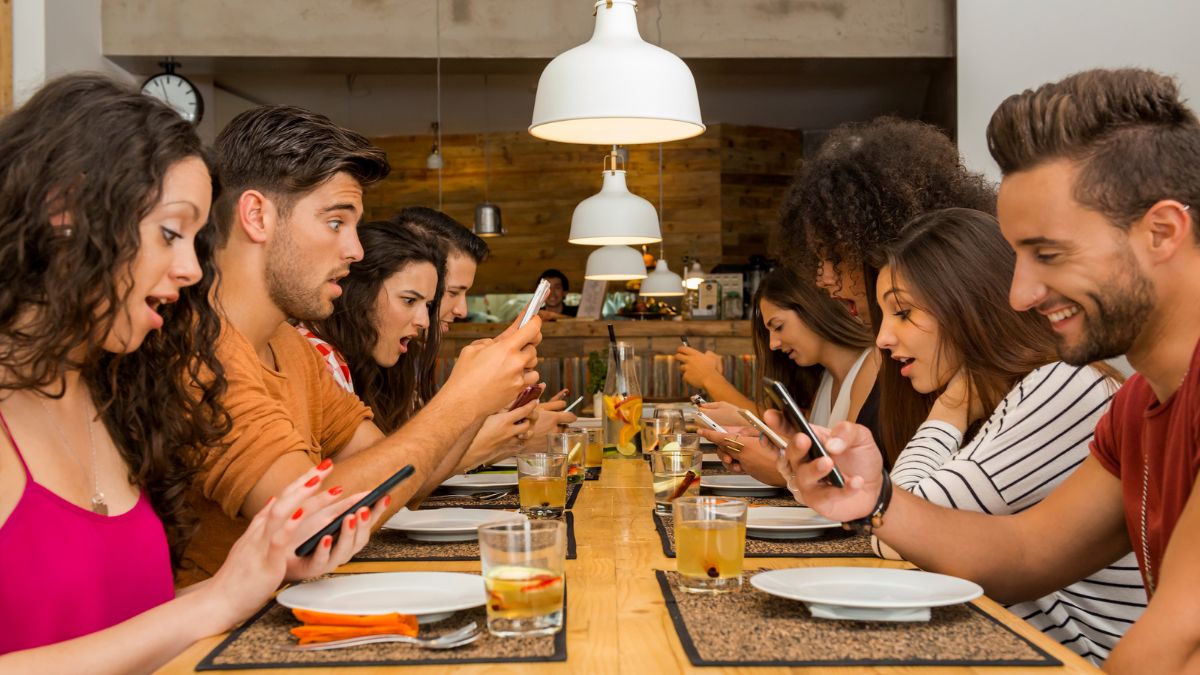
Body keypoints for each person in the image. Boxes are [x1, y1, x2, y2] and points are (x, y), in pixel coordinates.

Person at [781, 68, 1200, 674]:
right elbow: (1025, 551)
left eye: (1047, 254)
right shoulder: (1137, 405)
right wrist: (875, 498)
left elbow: (1178, 644)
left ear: (1161, 232)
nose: (1021, 293)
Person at [0, 74, 376, 670]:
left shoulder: (119, 398)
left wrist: (258, 574)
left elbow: (122, 627)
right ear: (63, 211)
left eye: (195, 242)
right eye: (170, 233)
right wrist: (211, 604)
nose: (190, 270)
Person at [186, 106, 543, 580]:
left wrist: (481, 395)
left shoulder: (289, 345)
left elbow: (396, 475)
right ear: (256, 216)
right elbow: (308, 524)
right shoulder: (200, 352)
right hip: (217, 644)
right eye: (336, 222)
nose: (355, 250)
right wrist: (462, 399)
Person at [871, 207, 1144, 663]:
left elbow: (898, 531)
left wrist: (949, 409)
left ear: (970, 303)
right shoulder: (1020, 394)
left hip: (1074, 660)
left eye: (902, 312)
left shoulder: (1067, 384)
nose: (882, 337)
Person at [776, 117, 997, 461]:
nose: (824, 279)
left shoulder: (1004, 388)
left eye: (836, 257)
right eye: (818, 261)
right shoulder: (888, 362)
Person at [304, 221, 540, 467]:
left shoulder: (375, 362)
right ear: (358, 293)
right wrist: (470, 395)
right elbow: (388, 474)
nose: (425, 321)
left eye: (428, 305)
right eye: (408, 300)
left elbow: (395, 468)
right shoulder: (318, 356)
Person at [683, 268, 875, 483]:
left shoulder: (871, 368)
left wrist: (778, 468)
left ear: (814, 309)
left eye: (778, 326)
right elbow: (815, 455)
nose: (773, 344)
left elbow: (850, 478)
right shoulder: (825, 381)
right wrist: (757, 441)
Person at [395, 208, 576, 437]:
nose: (463, 310)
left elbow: (425, 438)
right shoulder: (362, 363)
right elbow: (403, 460)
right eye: (452, 292)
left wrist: (498, 415)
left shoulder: (413, 355)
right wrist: (508, 435)